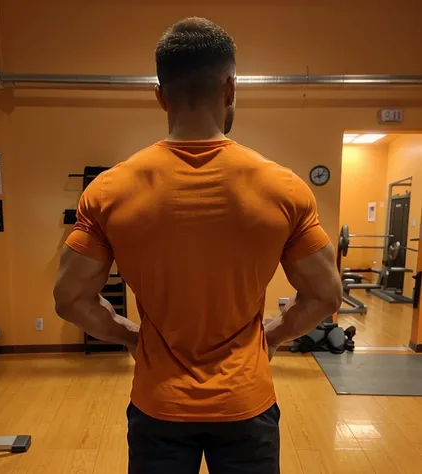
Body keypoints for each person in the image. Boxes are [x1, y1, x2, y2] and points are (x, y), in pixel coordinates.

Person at [54, 17, 342, 474]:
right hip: (246, 403)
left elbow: (69, 298)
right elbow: (326, 294)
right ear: (230, 88)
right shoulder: (283, 188)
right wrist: (273, 337)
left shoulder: (109, 191)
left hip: (157, 403)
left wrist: (130, 336)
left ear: (160, 95)